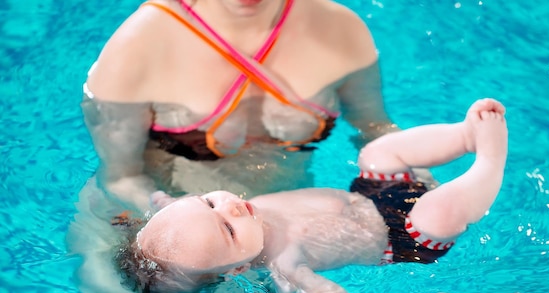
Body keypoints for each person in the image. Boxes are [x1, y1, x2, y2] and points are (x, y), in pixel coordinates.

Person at [116, 98, 508, 293]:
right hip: (404, 236)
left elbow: (179, 213)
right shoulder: (285, 265)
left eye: (207, 201)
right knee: (438, 212)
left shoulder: (199, 217)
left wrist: (159, 204)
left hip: (371, 192)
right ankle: (489, 161)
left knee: (377, 154)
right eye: (229, 229)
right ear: (236, 270)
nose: (230, 206)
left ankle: (464, 136)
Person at [83, 0, 434, 214]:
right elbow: (121, 179)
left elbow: (374, 130)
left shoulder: (341, 30)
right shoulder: (137, 47)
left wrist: (414, 178)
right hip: (144, 218)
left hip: (277, 222)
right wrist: (182, 221)